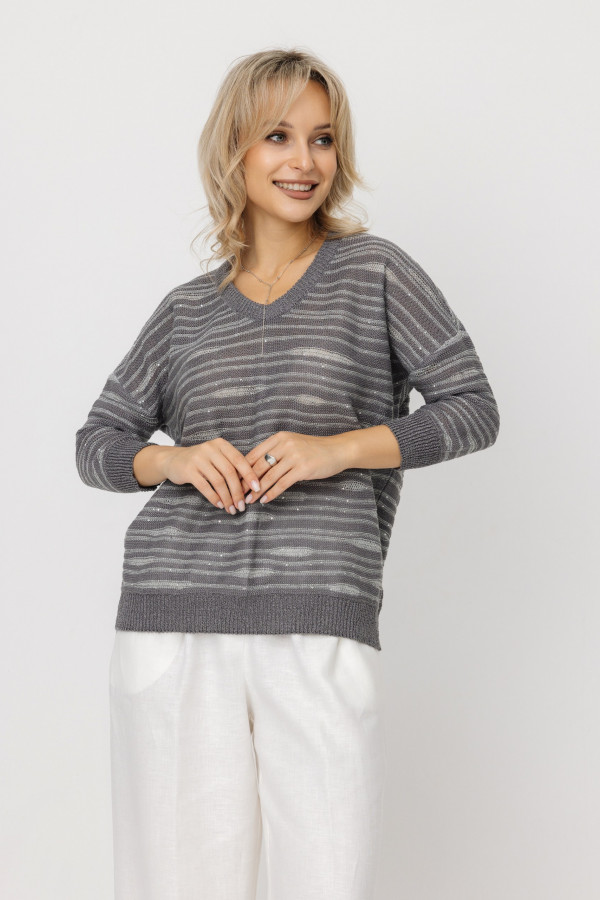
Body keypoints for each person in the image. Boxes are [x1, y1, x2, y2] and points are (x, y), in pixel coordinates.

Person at [75, 48, 500, 900]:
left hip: (317, 621)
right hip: (173, 621)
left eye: (323, 139)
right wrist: (174, 459)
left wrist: (335, 448)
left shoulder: (376, 272)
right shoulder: (186, 311)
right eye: (277, 136)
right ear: (233, 147)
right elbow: (97, 441)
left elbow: (472, 407)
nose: (304, 160)